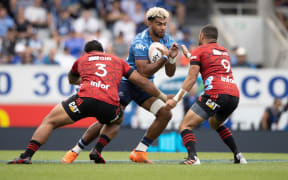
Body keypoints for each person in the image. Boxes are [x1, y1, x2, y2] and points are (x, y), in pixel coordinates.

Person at [7, 40, 168, 164]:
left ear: (87, 52)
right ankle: (97, 150)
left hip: (83, 100)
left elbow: (71, 79)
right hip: (109, 104)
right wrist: (162, 97)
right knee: (117, 119)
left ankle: (26, 156)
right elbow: (142, 81)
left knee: (49, 121)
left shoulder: (82, 60)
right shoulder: (117, 61)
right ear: (103, 51)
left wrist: (83, 81)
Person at [61, 7, 179, 164]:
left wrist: (171, 59)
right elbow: (143, 72)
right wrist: (164, 57)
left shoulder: (167, 40)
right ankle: (74, 151)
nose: (163, 27)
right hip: (126, 84)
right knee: (110, 118)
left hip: (145, 86)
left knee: (165, 114)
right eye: (159, 24)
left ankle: (139, 152)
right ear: (149, 23)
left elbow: (170, 73)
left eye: (165, 24)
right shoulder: (140, 41)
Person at [166, 24, 247, 165]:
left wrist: (176, 100)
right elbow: (208, 61)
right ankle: (238, 156)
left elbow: (191, 78)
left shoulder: (199, 50)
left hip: (215, 95)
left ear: (202, 36)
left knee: (185, 125)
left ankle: (193, 157)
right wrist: (190, 57)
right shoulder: (224, 51)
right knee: (215, 123)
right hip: (233, 96)